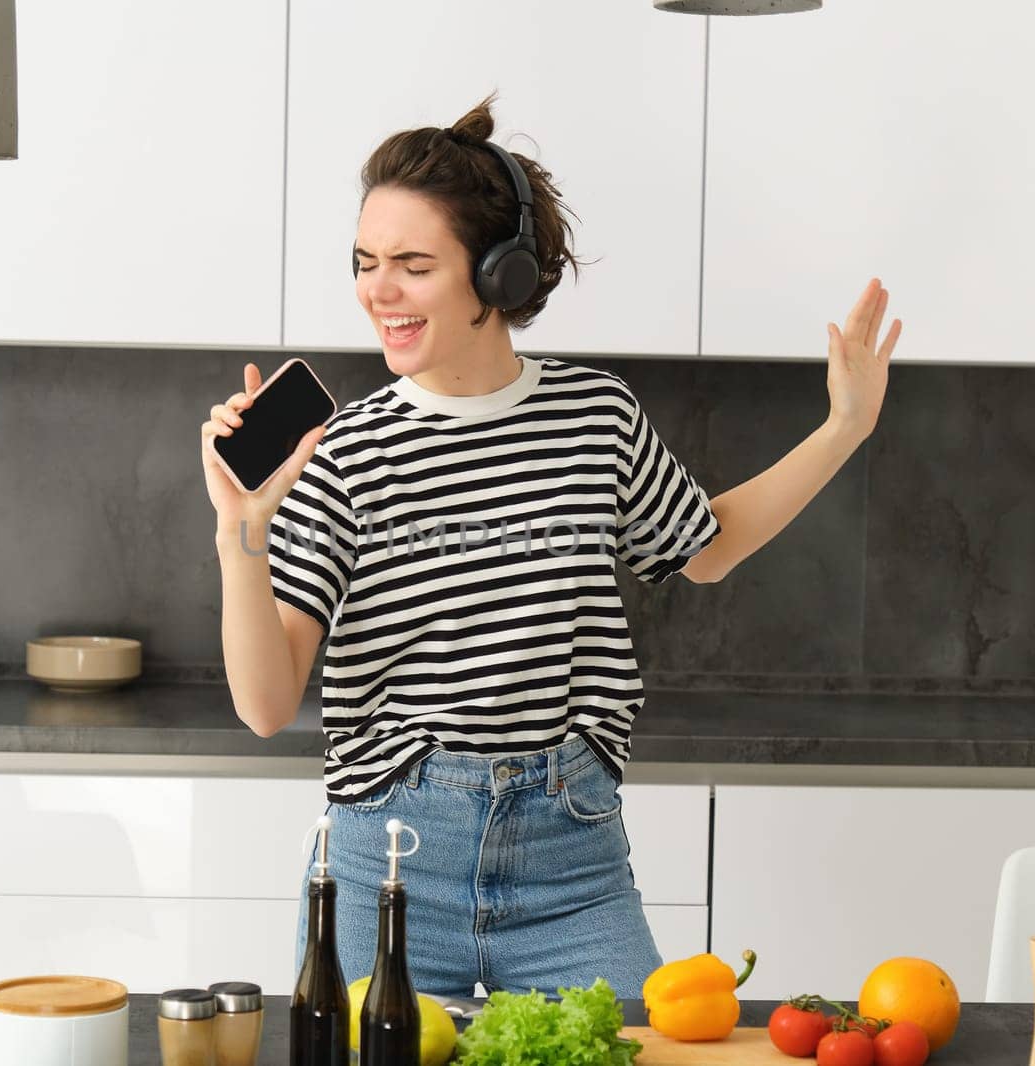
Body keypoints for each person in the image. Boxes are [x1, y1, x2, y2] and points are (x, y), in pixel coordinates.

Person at [200, 93, 900, 998]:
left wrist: (843, 427)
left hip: (571, 865)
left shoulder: (592, 416)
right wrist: (239, 530)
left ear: (500, 275)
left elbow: (708, 546)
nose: (378, 291)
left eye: (412, 265)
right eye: (366, 263)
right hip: (390, 868)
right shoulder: (340, 451)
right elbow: (265, 704)